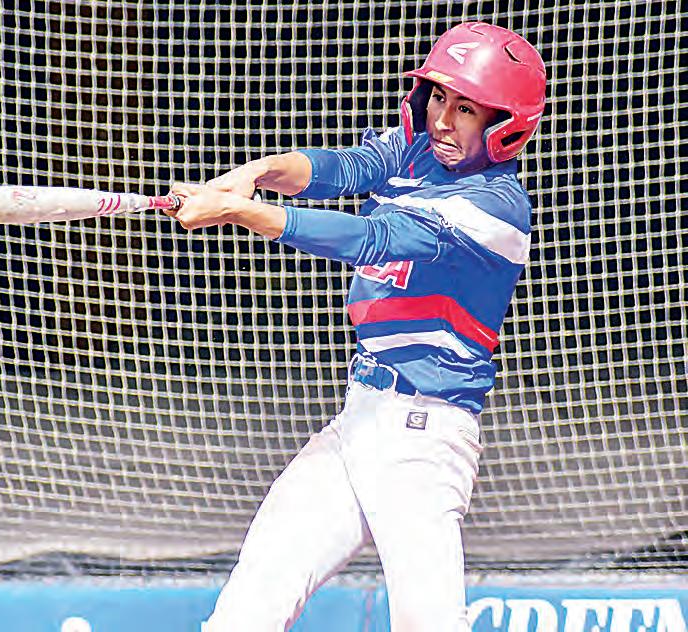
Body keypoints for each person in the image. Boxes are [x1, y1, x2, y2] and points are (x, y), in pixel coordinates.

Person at [166, 22, 546, 632]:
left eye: (466, 108)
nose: (443, 120)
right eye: (439, 97)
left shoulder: (494, 207)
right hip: (358, 420)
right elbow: (342, 168)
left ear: (505, 125)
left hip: (424, 439)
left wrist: (240, 211)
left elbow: (369, 238)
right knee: (248, 608)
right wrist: (255, 173)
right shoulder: (416, 150)